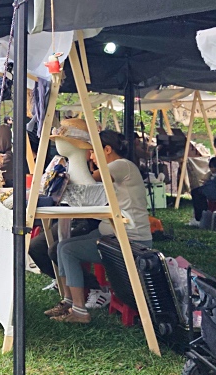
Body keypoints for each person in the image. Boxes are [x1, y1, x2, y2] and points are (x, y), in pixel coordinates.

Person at [47, 130, 152, 325]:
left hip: (129, 238)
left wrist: (77, 158)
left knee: (68, 250)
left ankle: (79, 310)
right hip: (114, 233)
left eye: (93, 151)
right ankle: (70, 302)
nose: (90, 156)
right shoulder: (119, 167)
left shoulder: (121, 165)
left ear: (108, 149)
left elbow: (90, 179)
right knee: (62, 247)